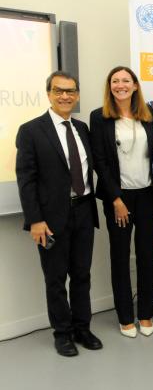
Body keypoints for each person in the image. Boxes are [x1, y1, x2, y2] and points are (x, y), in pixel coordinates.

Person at [15, 71, 102, 357]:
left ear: (77, 95)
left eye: (70, 91)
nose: (65, 96)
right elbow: (26, 179)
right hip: (50, 220)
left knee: (81, 275)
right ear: (49, 94)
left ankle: (82, 328)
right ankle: (62, 333)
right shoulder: (31, 131)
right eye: (58, 91)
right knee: (55, 279)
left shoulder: (82, 128)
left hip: (84, 213)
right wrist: (35, 220)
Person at [90, 66, 153, 338]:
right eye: (115, 81)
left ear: (135, 86)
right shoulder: (100, 117)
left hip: (147, 195)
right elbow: (100, 162)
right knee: (120, 257)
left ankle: (145, 314)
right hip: (118, 197)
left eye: (125, 81)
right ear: (110, 87)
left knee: (146, 255)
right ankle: (125, 316)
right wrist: (116, 198)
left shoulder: (148, 114)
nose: (120, 85)